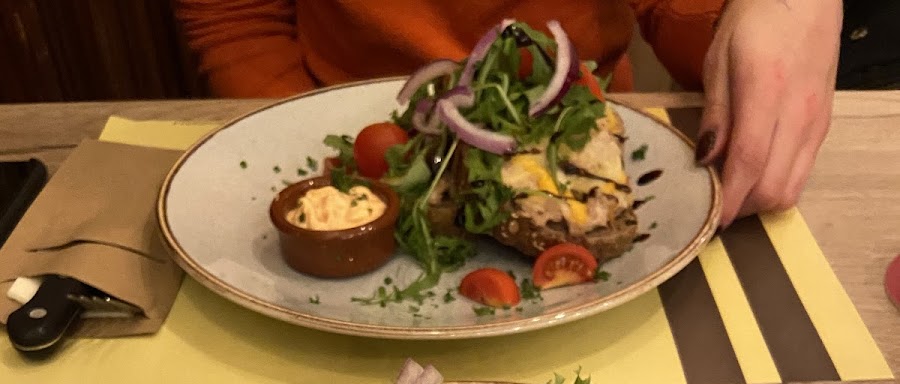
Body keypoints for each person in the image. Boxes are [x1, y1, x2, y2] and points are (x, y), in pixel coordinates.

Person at [174, 0, 843, 226]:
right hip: (362, 142)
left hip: (578, 137)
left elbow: (682, 14)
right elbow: (239, 20)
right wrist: (317, 173)